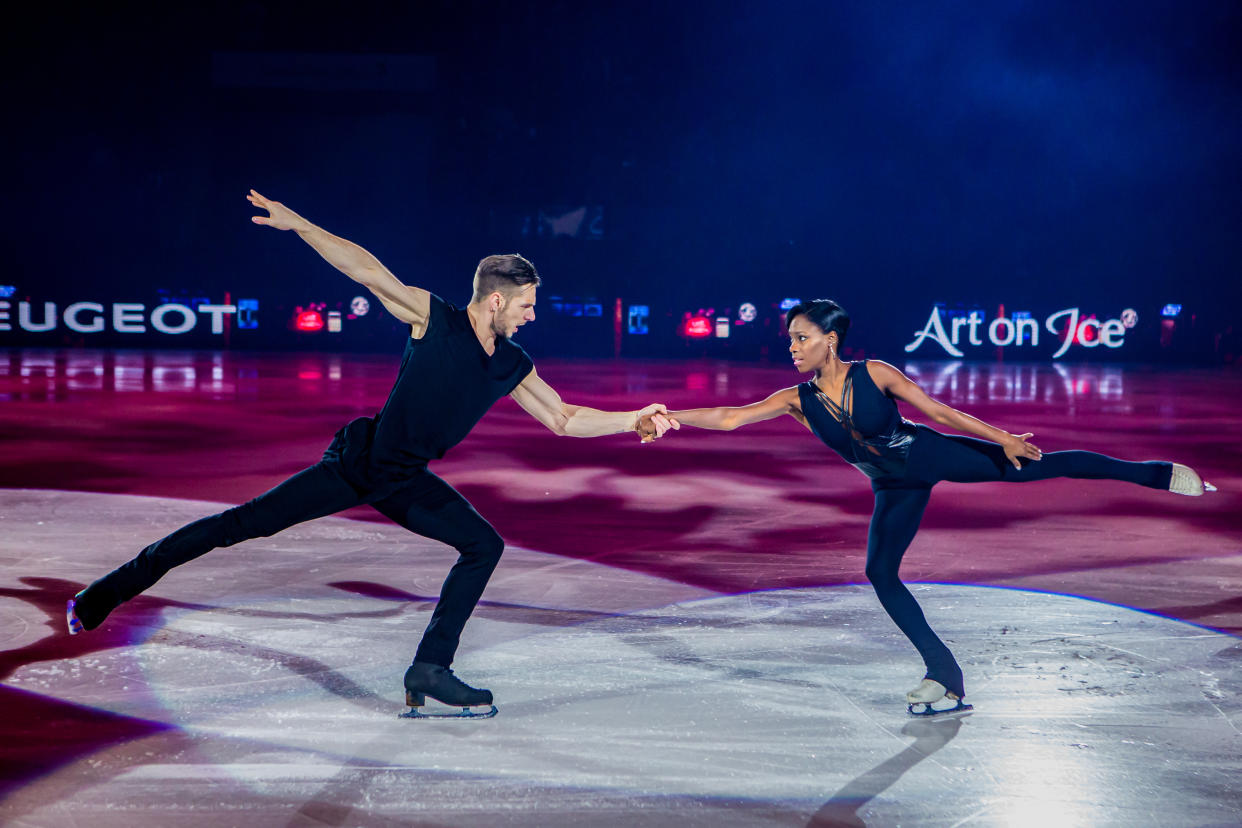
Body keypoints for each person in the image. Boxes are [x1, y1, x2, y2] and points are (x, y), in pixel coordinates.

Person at [67, 190, 674, 719]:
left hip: (407, 479)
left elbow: (564, 418)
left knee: (483, 544)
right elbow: (366, 270)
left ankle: (430, 670)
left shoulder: (513, 364)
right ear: (495, 301)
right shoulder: (431, 319)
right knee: (237, 526)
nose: (532, 315)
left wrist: (632, 420)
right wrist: (301, 225)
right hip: (358, 467)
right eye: (526, 305)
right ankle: (106, 592)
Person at [650, 299, 1214, 715]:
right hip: (892, 487)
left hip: (929, 455)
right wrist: (674, 415)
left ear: (830, 338)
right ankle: (945, 676)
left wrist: (1002, 439)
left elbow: (939, 411)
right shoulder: (796, 400)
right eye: (790, 339)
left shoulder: (876, 373)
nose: (791, 347)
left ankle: (1157, 474)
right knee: (880, 572)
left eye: (800, 337)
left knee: (1042, 463)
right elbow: (730, 416)